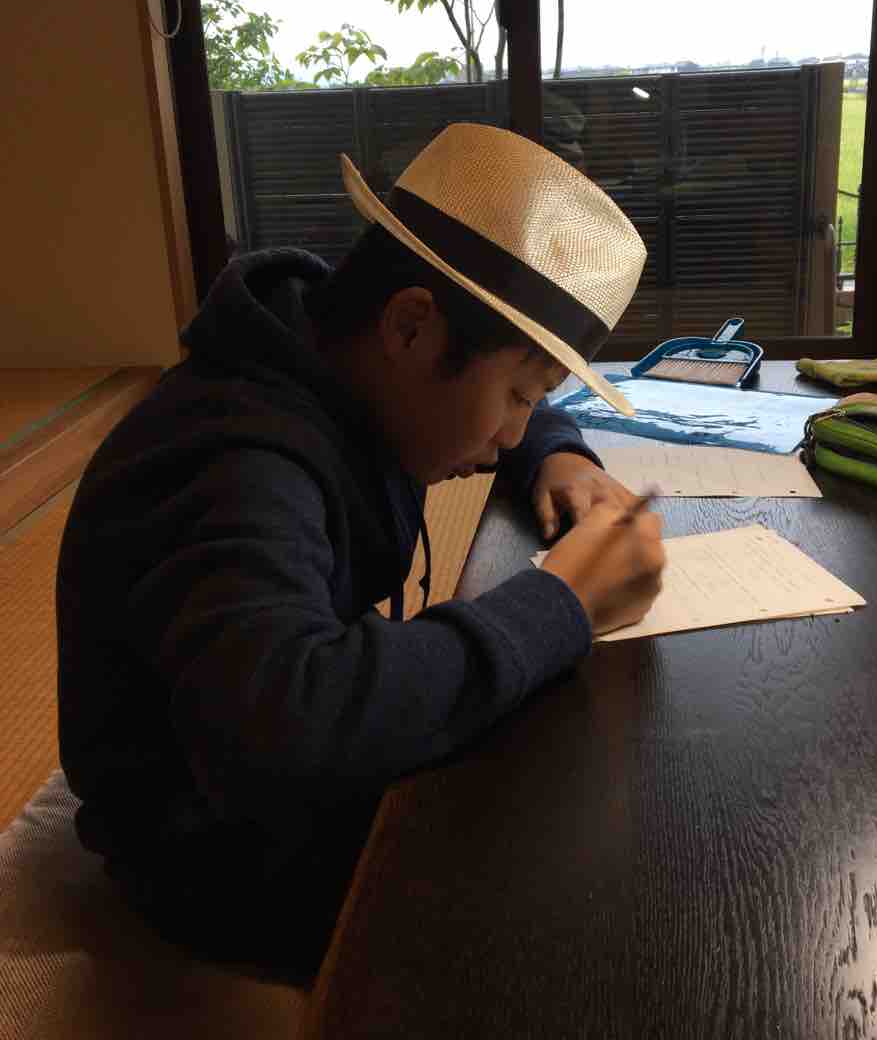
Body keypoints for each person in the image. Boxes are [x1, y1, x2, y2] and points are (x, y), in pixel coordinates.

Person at [56, 122, 665, 982]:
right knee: (588, 902)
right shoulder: (234, 460)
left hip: (265, 785)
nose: (509, 433)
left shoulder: (330, 356)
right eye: (518, 395)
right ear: (411, 327)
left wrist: (556, 453)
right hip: (210, 854)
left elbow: (491, 397)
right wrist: (561, 603)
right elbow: (284, 727)